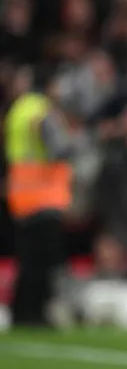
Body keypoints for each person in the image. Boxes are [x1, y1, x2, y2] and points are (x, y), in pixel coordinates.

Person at [4, 66, 73, 327]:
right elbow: (59, 149)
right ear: (49, 86)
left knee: (27, 259)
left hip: (20, 194)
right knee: (44, 261)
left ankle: (21, 312)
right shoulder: (43, 111)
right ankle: (36, 314)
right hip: (45, 194)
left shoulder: (18, 109)